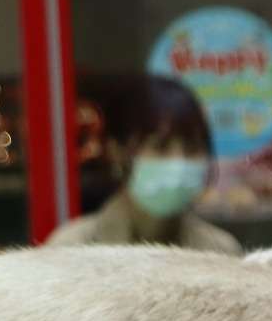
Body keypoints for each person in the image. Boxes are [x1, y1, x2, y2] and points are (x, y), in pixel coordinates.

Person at [45, 75, 239, 255]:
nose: (179, 161)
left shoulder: (221, 251)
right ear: (116, 151)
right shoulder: (72, 248)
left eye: (192, 148)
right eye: (160, 147)